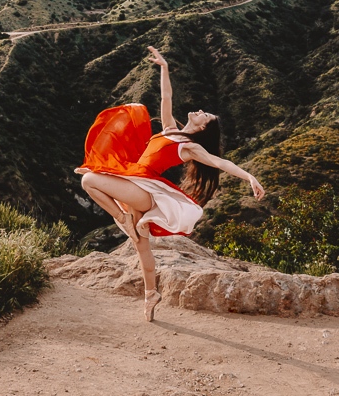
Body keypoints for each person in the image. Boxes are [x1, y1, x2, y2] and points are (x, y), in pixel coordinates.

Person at [75, 46, 265, 321]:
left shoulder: (189, 147)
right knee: (142, 247)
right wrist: (164, 68)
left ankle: (123, 219)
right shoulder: (170, 130)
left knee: (89, 181)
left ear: (202, 129)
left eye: (205, 116)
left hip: (145, 190)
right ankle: (151, 294)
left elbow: (220, 163)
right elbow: (166, 97)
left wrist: (249, 176)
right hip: (135, 180)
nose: (200, 112)